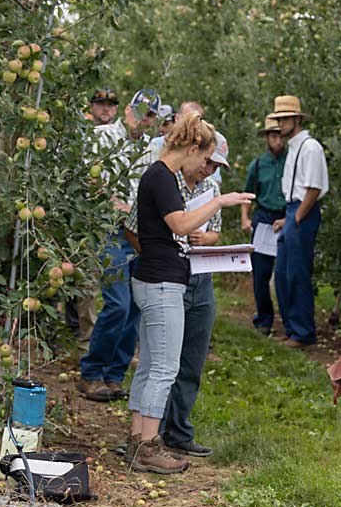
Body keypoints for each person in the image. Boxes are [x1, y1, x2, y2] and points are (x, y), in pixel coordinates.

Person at [125, 111, 253, 473]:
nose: (203, 167)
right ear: (194, 148)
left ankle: (138, 439)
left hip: (155, 277)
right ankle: (149, 445)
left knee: (150, 366)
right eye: (205, 159)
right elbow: (179, 223)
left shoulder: (157, 174)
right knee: (165, 367)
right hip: (162, 281)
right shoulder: (163, 176)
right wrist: (219, 202)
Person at [77, 89, 160, 402]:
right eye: (140, 112)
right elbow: (88, 180)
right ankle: (91, 372)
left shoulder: (149, 150)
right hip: (109, 230)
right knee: (118, 303)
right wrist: (113, 202)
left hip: (138, 232)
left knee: (136, 306)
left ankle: (114, 375)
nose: (144, 119)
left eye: (151, 115)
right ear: (128, 110)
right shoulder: (102, 137)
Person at [269, 95, 328, 349]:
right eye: (278, 119)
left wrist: (297, 218)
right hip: (293, 210)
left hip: (303, 210)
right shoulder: (293, 146)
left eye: (284, 119)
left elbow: (313, 188)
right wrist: (288, 218)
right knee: (282, 273)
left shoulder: (310, 147)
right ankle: (292, 328)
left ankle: (303, 332)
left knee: (297, 273)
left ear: (296, 119)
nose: (280, 124)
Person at [67, 87, 122, 346]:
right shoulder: (83, 137)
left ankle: (107, 340)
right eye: (100, 104)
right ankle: (85, 341)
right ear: (91, 106)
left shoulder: (122, 140)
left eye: (111, 105)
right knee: (85, 284)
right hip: (87, 219)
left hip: (115, 223)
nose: (106, 109)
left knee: (116, 286)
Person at [240, 116, 288, 335]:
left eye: (281, 136)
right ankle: (264, 319)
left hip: (286, 216)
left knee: (286, 273)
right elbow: (248, 194)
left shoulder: (292, 161)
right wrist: (245, 218)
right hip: (263, 218)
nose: (278, 141)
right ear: (267, 138)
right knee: (260, 273)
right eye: (274, 136)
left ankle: (289, 321)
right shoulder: (258, 164)